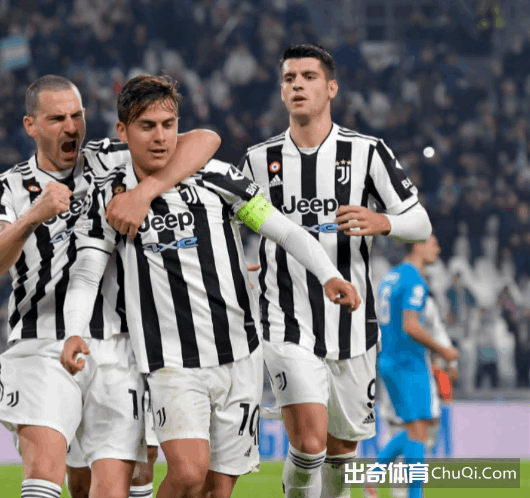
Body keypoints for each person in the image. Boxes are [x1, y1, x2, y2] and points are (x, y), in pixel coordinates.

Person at [61, 74, 360, 498]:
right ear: (122, 132)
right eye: (147, 126)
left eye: (168, 125)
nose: (160, 137)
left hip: (240, 354)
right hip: (170, 360)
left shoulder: (216, 177)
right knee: (187, 472)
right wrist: (74, 330)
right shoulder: (111, 196)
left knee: (218, 489)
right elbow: (87, 273)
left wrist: (328, 273)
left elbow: (284, 230)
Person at [0, 74, 221, 498]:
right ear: (30, 125)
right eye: (57, 119)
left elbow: (205, 140)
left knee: (108, 485)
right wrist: (33, 215)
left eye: (77, 116)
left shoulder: (110, 158)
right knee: (45, 471)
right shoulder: (6, 186)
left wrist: (144, 192)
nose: (71, 127)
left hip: (118, 346)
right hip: (42, 341)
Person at [238, 44, 433, 498]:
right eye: (290, 78)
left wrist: (383, 222)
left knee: (341, 455)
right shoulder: (257, 160)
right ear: (281, 91)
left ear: (331, 88)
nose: (298, 85)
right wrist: (234, 263)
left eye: (308, 76)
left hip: (353, 326)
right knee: (309, 443)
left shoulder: (366, 152)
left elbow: (420, 222)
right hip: (286, 320)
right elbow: (226, 222)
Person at [375, 236, 458, 498]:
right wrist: (443, 350)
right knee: (420, 432)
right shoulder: (414, 280)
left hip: (388, 360)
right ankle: (412, 494)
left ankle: (374, 475)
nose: (438, 249)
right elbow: (410, 325)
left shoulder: (390, 277)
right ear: (418, 246)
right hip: (409, 363)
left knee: (419, 427)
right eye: (433, 244)